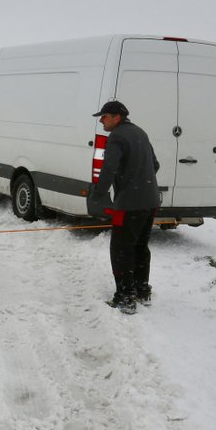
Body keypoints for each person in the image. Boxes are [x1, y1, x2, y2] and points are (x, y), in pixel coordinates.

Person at [89, 100, 160, 314]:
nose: (101, 120)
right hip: (150, 202)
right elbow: (155, 164)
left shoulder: (117, 136)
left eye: (105, 116)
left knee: (121, 250)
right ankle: (141, 290)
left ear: (116, 117)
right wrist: (138, 181)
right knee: (139, 246)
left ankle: (125, 298)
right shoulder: (140, 132)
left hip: (128, 205)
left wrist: (98, 194)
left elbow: (108, 168)